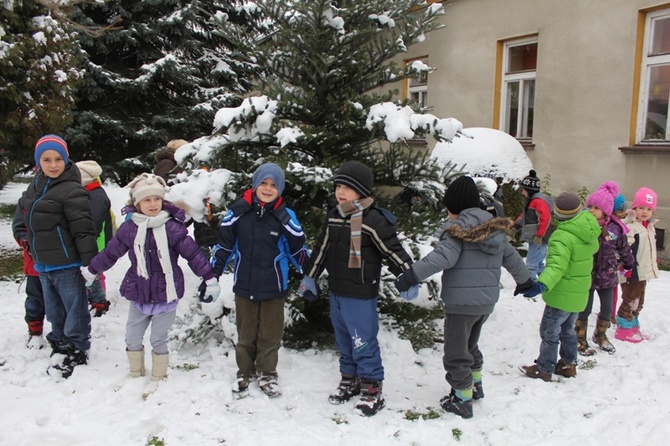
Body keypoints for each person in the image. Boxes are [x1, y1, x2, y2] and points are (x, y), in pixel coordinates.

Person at [394, 175, 535, 419]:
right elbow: (512, 258)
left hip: (461, 304)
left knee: (456, 352)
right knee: (471, 345)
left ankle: (462, 398)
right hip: (486, 303)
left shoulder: (457, 232)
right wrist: (525, 282)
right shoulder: (494, 230)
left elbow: (440, 259)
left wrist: (410, 276)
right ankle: (476, 383)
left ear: (453, 208)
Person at [81, 173, 220, 399]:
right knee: (132, 336)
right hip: (139, 291)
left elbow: (193, 255)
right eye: (147, 200)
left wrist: (209, 278)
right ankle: (135, 372)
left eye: (156, 199)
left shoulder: (173, 228)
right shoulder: (129, 229)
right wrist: (92, 270)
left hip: (167, 293)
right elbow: (110, 253)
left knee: (158, 338)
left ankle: (158, 375)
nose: (153, 204)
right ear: (137, 203)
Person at [298, 160, 415, 416]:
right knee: (343, 339)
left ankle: (372, 385)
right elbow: (321, 249)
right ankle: (349, 378)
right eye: (338, 186)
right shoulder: (334, 216)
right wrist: (310, 277)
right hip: (337, 290)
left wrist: (408, 276)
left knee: (363, 340)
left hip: (361, 294)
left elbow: (392, 250)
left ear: (361, 191)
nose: (340, 192)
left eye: (347, 188)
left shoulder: (373, 220)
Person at [211, 162, 309, 398]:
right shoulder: (238, 213)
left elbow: (297, 248)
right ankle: (244, 372)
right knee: (245, 334)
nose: (267, 188)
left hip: (274, 287)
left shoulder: (285, 216)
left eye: (273, 185)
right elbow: (224, 247)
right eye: (263, 183)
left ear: (280, 189)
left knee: (270, 334)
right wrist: (211, 276)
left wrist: (310, 273)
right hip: (244, 285)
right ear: (255, 185)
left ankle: (267, 373)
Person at [21, 134, 98, 378]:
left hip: (67, 263)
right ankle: (60, 341)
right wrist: (29, 244)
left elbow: (84, 230)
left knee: (74, 308)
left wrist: (90, 264)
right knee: (54, 309)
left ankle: (77, 346)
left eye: (58, 159)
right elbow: (28, 221)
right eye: (46, 159)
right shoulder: (36, 186)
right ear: (38, 162)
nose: (53, 165)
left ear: (66, 160)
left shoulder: (72, 190)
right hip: (43, 263)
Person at [520, 192, 600, 382]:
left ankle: (544, 368)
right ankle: (568, 364)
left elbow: (556, 266)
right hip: (579, 293)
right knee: (568, 330)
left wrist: (541, 284)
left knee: (549, 332)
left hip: (561, 294)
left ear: (558, 214)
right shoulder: (588, 229)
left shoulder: (562, 236)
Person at [576, 182, 635, 355]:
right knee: (584, 308)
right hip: (587, 274)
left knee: (607, 308)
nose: (592, 210)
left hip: (607, 275)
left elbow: (624, 247)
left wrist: (629, 263)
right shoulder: (584, 226)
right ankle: (579, 338)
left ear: (606, 210)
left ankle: (600, 335)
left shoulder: (615, 228)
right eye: (590, 207)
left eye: (596, 208)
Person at [615, 187, 659, 343]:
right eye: (641, 208)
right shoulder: (631, 227)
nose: (645, 212)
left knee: (639, 301)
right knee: (630, 299)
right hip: (632, 272)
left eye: (648, 209)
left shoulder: (650, 227)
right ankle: (623, 328)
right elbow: (622, 248)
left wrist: (653, 260)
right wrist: (623, 266)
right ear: (634, 208)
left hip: (644, 271)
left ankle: (633, 325)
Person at [76, 160, 113, 317]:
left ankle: (100, 302)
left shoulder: (96, 195)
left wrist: (87, 238)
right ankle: (93, 299)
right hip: (90, 241)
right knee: (90, 271)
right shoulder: (87, 193)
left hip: (96, 241)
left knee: (94, 272)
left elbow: (95, 222)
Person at [12, 194, 46, 349]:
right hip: (35, 265)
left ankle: (64, 335)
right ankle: (35, 331)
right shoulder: (27, 198)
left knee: (63, 301)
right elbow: (19, 226)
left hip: (63, 264)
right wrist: (28, 243)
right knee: (35, 301)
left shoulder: (67, 192)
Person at [513, 170, 554, 280]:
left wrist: (540, 235)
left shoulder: (538, 202)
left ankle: (530, 285)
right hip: (534, 238)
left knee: (531, 265)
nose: (522, 193)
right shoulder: (531, 202)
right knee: (539, 264)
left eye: (523, 190)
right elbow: (524, 217)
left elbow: (545, 218)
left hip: (539, 239)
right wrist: (514, 227)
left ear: (529, 190)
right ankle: (547, 283)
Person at [611, 193, 628, 324]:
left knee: (613, 289)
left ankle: (610, 313)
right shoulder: (611, 226)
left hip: (613, 265)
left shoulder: (621, 226)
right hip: (608, 264)